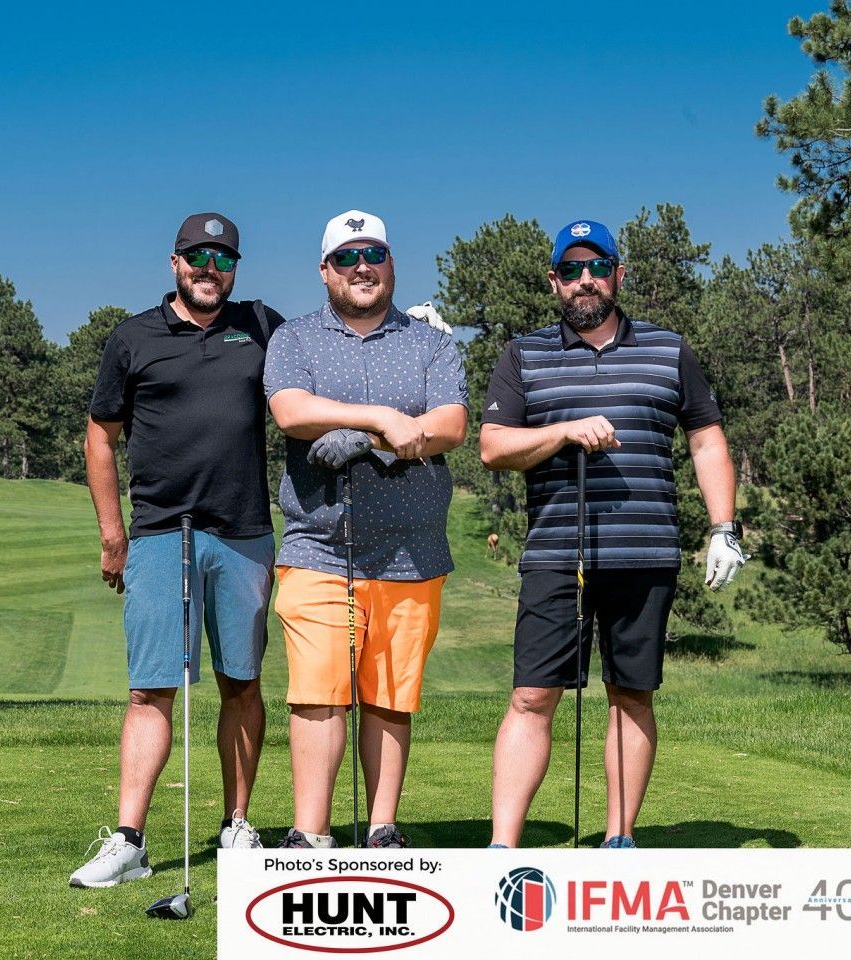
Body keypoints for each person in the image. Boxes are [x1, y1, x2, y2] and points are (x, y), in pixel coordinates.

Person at [479, 218, 744, 849]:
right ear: (554, 282)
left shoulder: (668, 349)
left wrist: (724, 527)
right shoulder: (524, 354)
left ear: (618, 274)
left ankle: (618, 840)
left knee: (631, 695)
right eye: (570, 270)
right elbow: (493, 447)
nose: (585, 281)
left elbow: (706, 441)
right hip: (555, 554)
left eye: (597, 267)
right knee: (531, 696)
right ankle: (502, 849)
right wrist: (563, 433)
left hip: (645, 552)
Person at [70, 212, 283, 887]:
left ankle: (237, 824)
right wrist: (112, 533)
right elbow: (100, 437)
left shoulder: (262, 326)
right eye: (197, 257)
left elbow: (310, 386)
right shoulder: (133, 337)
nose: (208, 270)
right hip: (162, 533)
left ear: (235, 268)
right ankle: (129, 840)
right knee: (148, 688)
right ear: (174, 263)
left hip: (243, 532)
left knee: (241, 683)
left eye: (221, 259)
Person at [264, 210, 468, 849]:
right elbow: (291, 412)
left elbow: (449, 426)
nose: (362, 267)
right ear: (325, 270)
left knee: (389, 695)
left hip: (413, 551)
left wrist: (366, 438)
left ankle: (382, 828)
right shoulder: (294, 339)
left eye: (373, 254)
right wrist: (381, 416)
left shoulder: (431, 342)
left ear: (391, 264)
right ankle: (310, 832)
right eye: (347, 257)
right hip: (320, 543)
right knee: (319, 690)